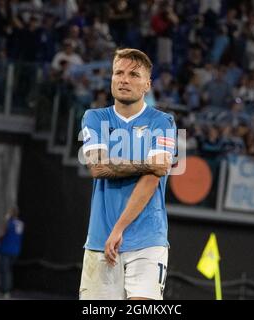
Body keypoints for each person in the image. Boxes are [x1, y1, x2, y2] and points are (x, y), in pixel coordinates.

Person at [79, 48, 176, 300]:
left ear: (147, 84)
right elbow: (98, 167)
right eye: (118, 73)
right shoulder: (93, 117)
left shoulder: (162, 121)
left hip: (147, 238)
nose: (124, 79)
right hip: (99, 241)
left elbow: (152, 179)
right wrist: (148, 163)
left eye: (134, 74)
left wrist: (119, 228)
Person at [0, 206, 24, 299]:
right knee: (8, 271)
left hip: (6, 249)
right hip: (15, 251)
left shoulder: (9, 223)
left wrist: (6, 220)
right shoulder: (20, 224)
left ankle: (5, 291)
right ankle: (6, 290)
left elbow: (1, 234)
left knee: (5, 271)